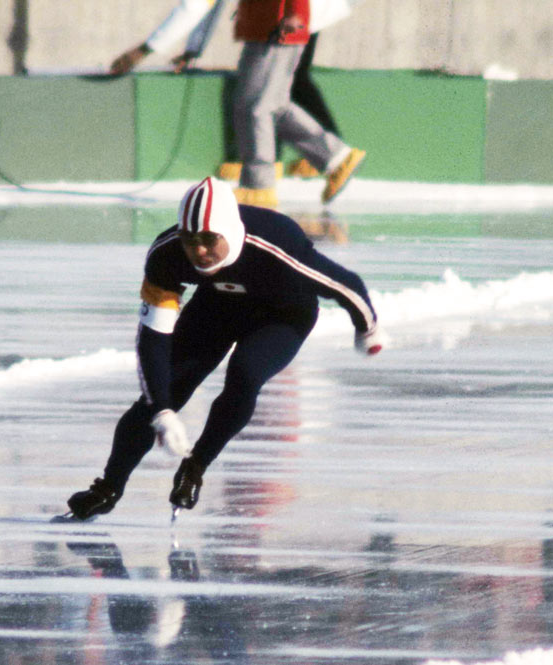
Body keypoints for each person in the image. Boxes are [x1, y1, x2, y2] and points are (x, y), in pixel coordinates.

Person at [66, 177, 386, 521]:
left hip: (282, 316)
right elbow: (153, 339)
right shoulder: (168, 255)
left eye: (208, 239)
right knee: (163, 392)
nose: (198, 250)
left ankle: (195, 466)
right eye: (190, 239)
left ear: (229, 233)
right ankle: (108, 488)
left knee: (245, 375)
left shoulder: (274, 242)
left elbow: (345, 285)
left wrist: (367, 329)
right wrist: (161, 410)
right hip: (217, 307)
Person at [108, 0, 365, 208]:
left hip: (279, 26)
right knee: (270, 104)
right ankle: (335, 156)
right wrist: (194, 48)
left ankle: (258, 185)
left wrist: (144, 50)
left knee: (257, 107)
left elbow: (196, 5)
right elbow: (208, 5)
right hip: (266, 26)